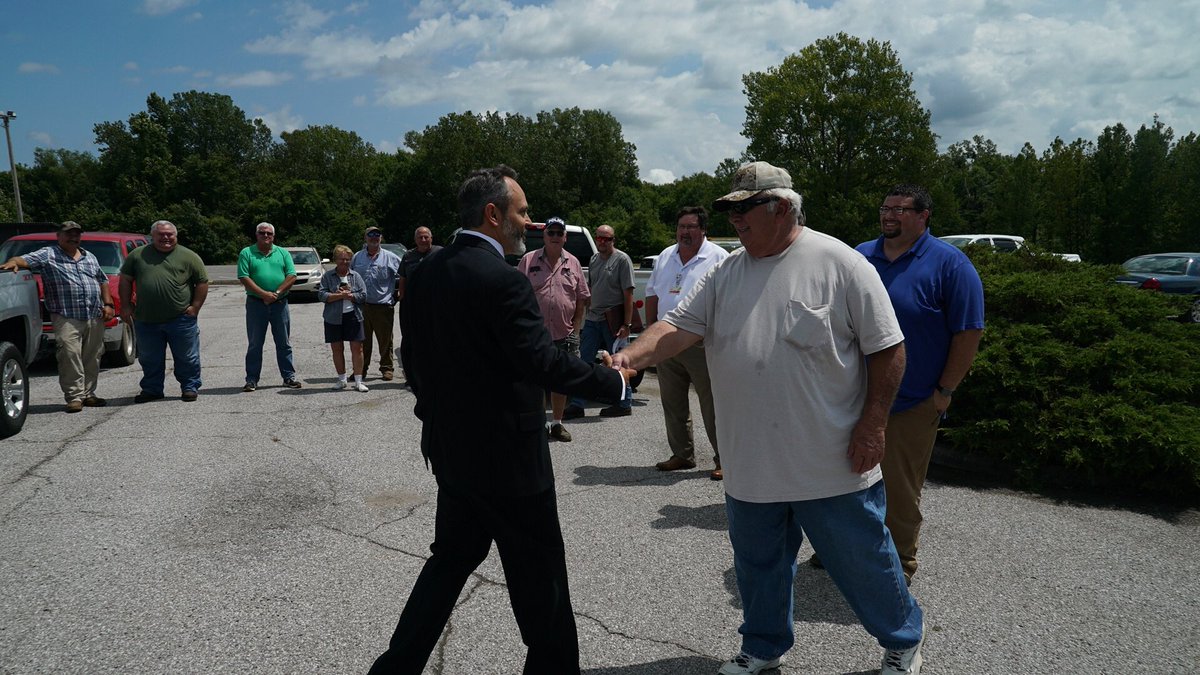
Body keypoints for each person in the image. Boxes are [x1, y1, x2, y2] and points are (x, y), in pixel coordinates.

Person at [612, 162, 925, 675]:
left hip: (829, 462)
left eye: (744, 207)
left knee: (863, 562)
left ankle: (904, 639)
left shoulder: (840, 262)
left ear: (781, 207)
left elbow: (888, 350)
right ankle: (762, 648)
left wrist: (874, 425)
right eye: (729, 209)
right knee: (759, 568)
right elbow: (673, 328)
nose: (734, 218)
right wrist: (629, 359)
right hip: (749, 463)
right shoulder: (725, 272)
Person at [370, 165, 629, 675]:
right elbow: (544, 363)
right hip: (511, 465)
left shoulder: (424, 274)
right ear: (493, 215)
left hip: (451, 453)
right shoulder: (505, 281)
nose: (528, 222)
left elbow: (413, 359)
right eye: (522, 211)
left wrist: (439, 416)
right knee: (541, 579)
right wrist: (615, 384)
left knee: (448, 565)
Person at [849, 184, 984, 584]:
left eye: (900, 210)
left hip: (913, 401)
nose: (889, 215)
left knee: (899, 491)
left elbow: (969, 332)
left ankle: (898, 564)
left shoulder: (951, 265)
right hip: (851, 395)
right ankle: (841, 548)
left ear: (924, 216)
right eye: (885, 208)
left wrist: (943, 393)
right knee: (843, 478)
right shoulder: (859, 257)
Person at [645, 206, 728, 478]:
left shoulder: (719, 258)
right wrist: (650, 332)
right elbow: (652, 296)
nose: (685, 232)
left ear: (704, 230)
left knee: (713, 403)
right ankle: (682, 454)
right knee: (672, 401)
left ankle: (724, 459)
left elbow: (728, 303)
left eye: (691, 226)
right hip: (667, 339)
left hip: (702, 342)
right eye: (681, 226)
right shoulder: (666, 257)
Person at [0, 221, 114, 413]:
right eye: (68, 234)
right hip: (66, 316)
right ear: (58, 236)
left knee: (93, 355)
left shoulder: (89, 256)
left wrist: (108, 304)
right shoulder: (48, 254)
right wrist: (13, 262)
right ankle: (74, 397)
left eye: (77, 234)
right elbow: (23, 260)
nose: (73, 237)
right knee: (69, 354)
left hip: (93, 314)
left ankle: (88, 394)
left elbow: (102, 280)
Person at [516, 216, 590, 442]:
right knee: (535, 381)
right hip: (535, 335)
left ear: (565, 237)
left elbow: (581, 299)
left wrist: (575, 331)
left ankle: (557, 424)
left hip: (564, 334)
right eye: (551, 233)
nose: (555, 236)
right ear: (544, 236)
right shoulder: (528, 260)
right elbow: (517, 295)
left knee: (560, 381)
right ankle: (538, 424)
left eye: (560, 233)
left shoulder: (574, 263)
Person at [119, 220, 208, 403]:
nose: (166, 238)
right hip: (146, 319)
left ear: (176, 236)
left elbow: (202, 282)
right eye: (161, 234)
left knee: (187, 357)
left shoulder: (189, 256)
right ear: (153, 236)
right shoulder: (137, 255)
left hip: (181, 319)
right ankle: (152, 389)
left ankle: (189, 387)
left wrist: (195, 307)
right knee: (149, 358)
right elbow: (125, 280)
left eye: (170, 234)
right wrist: (126, 306)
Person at [563, 223, 634, 419]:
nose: (602, 242)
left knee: (617, 362)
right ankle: (578, 404)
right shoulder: (594, 259)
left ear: (613, 240)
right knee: (584, 362)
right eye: (599, 238)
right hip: (593, 319)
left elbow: (628, 294)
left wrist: (626, 324)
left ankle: (624, 403)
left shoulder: (622, 260)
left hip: (612, 320)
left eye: (607, 238)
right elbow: (590, 289)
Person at [236, 222, 301, 392]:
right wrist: (264, 294)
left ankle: (288, 377)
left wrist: (276, 293)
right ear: (256, 234)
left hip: (280, 303)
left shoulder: (283, 253)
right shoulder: (247, 253)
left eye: (269, 233)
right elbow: (244, 277)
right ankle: (251, 379)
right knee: (255, 343)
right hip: (256, 304)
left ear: (273, 236)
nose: (266, 236)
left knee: (284, 343)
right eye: (262, 233)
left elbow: (292, 275)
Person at [351, 226, 401, 381]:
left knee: (385, 340)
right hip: (362, 306)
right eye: (370, 235)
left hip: (383, 306)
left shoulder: (390, 257)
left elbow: (404, 274)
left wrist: (398, 293)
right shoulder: (357, 257)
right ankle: (361, 370)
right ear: (365, 238)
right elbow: (349, 276)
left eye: (377, 235)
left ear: (381, 237)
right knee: (362, 341)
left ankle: (387, 369)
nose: (374, 237)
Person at [318, 244, 369, 392]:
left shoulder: (356, 276)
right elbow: (322, 295)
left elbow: (364, 295)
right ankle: (342, 380)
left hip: (353, 316)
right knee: (337, 348)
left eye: (347, 259)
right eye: (341, 259)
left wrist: (351, 295)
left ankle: (359, 381)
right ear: (335, 260)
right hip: (333, 318)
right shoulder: (328, 276)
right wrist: (339, 295)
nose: (344, 262)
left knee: (357, 349)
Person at [396, 226, 443, 384]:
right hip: (411, 305)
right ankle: (411, 377)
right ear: (415, 240)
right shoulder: (408, 256)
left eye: (426, 237)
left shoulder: (440, 253)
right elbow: (402, 278)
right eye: (420, 237)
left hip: (434, 304)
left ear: (431, 238)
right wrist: (402, 296)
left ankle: (436, 375)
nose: (423, 240)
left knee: (435, 339)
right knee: (410, 341)